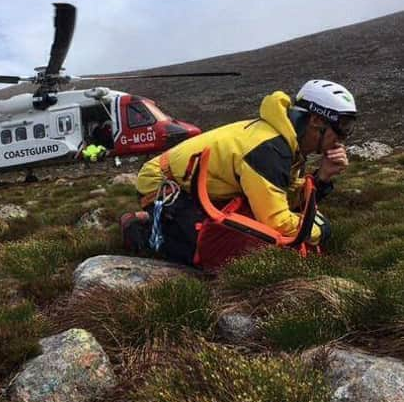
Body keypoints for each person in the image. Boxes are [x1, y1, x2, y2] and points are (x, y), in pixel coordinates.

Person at [121, 79, 357, 269]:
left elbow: (283, 201)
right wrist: (319, 229)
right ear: (316, 120)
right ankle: (143, 228)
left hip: (202, 187)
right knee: (218, 252)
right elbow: (277, 220)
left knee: (255, 235)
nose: (343, 137)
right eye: (343, 126)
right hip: (164, 184)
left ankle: (162, 223)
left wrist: (322, 178)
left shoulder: (287, 144)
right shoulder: (270, 149)